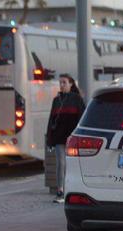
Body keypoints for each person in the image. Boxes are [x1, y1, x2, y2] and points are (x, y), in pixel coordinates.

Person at [46, 74, 86, 203]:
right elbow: (51, 120)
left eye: (64, 82)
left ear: (71, 84)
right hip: (59, 137)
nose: (61, 85)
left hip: (72, 137)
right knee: (60, 164)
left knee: (72, 164)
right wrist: (49, 139)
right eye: (60, 83)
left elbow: (82, 119)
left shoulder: (77, 99)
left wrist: (80, 136)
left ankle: (73, 189)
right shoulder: (56, 100)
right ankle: (60, 190)